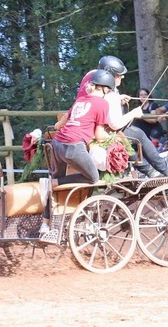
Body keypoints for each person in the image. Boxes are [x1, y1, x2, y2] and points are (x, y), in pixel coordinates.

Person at [58, 55, 168, 178]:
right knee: (137, 134)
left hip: (84, 130)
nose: (122, 77)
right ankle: (164, 168)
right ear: (110, 76)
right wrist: (133, 113)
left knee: (128, 135)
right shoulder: (110, 94)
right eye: (119, 75)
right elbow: (114, 123)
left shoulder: (91, 77)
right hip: (93, 134)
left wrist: (118, 99)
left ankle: (149, 170)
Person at [39, 69, 115, 234]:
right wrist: (113, 135)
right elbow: (99, 134)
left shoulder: (80, 100)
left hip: (57, 143)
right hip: (73, 147)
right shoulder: (102, 103)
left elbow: (63, 123)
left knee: (55, 180)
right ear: (104, 88)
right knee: (93, 177)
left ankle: (45, 224)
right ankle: (54, 183)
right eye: (108, 90)